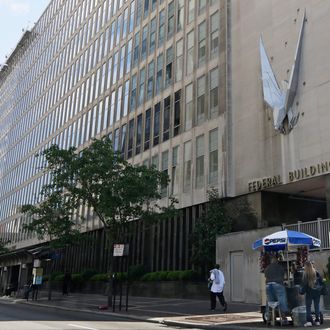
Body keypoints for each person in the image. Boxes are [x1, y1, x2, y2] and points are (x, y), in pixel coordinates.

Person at [264, 256, 289, 324]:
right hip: (278, 284)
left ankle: (271, 318)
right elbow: (284, 276)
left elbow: (265, 276)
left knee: (271, 303)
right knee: (281, 301)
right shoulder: (280, 267)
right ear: (277, 261)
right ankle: (283, 318)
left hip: (268, 285)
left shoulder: (267, 268)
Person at [301, 261, 323, 327]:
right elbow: (321, 282)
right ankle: (317, 321)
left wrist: (301, 292)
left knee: (308, 307)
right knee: (316, 306)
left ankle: (309, 321)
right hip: (317, 292)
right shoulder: (316, 272)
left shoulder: (305, 274)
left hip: (309, 293)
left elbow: (304, 285)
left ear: (306, 266)